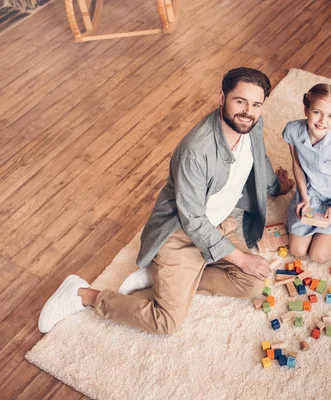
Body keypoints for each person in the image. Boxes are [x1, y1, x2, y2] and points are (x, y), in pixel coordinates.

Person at [38, 67, 295, 334]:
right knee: (166, 323)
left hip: (223, 221)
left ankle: (158, 278)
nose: (247, 111)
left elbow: (258, 159)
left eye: (255, 104)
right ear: (222, 98)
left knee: (252, 284)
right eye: (240, 101)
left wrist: (276, 186)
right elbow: (193, 221)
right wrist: (241, 259)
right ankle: (84, 295)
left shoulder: (252, 124)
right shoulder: (195, 152)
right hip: (181, 232)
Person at [283, 83, 331, 264]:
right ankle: (321, 230)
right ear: (306, 110)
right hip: (311, 191)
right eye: (317, 112)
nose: (322, 121)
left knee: (318, 256)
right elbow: (297, 165)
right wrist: (304, 197)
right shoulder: (292, 131)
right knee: (297, 250)